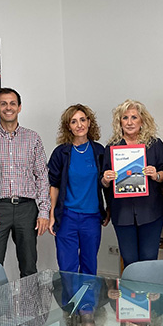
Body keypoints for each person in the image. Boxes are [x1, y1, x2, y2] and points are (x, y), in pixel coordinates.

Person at [0, 88, 50, 277]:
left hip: (27, 210)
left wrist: (43, 211)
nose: (8, 107)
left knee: (29, 267)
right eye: (4, 104)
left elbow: (42, 176)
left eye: (12, 103)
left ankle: (29, 298)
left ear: (19, 107)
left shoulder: (33, 138)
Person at [102, 100, 163, 268]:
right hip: (122, 213)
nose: (129, 122)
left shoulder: (154, 144)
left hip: (151, 211)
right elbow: (103, 183)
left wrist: (156, 175)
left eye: (134, 117)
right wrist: (106, 179)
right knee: (129, 259)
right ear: (119, 122)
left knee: (149, 259)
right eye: (125, 118)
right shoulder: (111, 148)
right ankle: (131, 288)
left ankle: (148, 286)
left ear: (142, 120)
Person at [48, 104, 109, 275]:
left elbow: (107, 183)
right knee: (67, 268)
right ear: (68, 126)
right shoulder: (61, 153)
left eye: (82, 120)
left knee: (89, 267)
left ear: (89, 122)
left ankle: (87, 295)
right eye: (73, 121)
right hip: (67, 217)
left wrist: (108, 209)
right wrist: (52, 215)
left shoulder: (99, 151)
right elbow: (54, 185)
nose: (79, 125)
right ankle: (69, 294)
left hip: (92, 217)